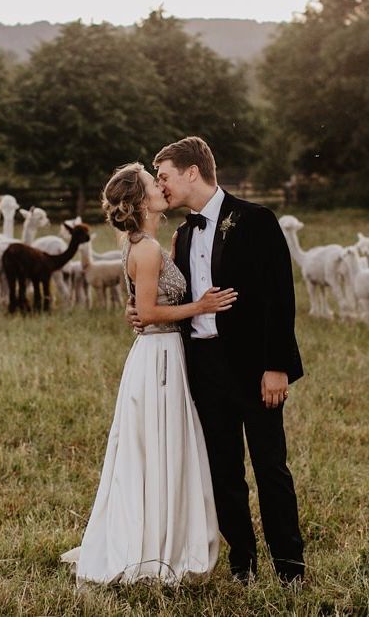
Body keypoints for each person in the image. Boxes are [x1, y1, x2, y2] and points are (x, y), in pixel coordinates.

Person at [61, 162, 237, 586]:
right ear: (140, 202)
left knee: (161, 444)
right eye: (151, 184)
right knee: (158, 444)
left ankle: (161, 536)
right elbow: (150, 311)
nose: (160, 186)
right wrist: (201, 307)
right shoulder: (145, 249)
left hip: (161, 351)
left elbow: (144, 303)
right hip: (159, 355)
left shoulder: (150, 243)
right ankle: (153, 546)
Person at [142, 136, 305, 584]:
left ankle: (290, 566)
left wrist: (277, 367)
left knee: (270, 466)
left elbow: (280, 297)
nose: (161, 186)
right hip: (204, 367)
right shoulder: (183, 232)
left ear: (191, 172)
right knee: (222, 468)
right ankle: (242, 563)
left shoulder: (255, 219)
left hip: (255, 369)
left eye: (165, 176)